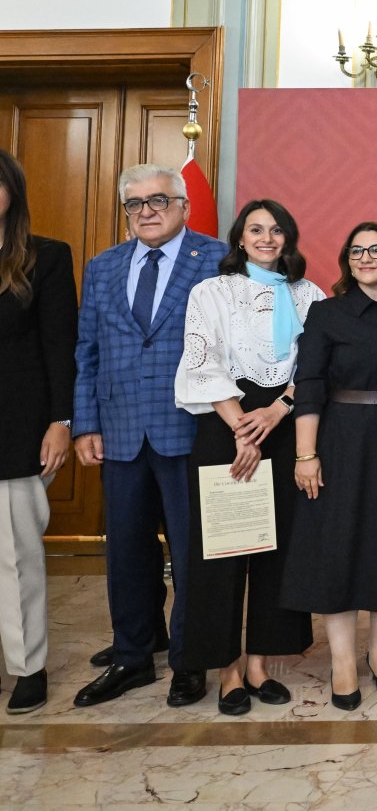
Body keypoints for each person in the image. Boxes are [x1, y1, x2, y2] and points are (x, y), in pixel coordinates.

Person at [73, 164, 224, 710]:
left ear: (183, 204)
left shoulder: (215, 257)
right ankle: (132, 655)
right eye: (135, 203)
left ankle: (190, 659)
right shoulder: (103, 266)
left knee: (191, 556)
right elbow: (87, 351)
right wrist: (85, 422)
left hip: (190, 430)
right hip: (118, 432)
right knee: (127, 554)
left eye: (159, 199)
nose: (147, 210)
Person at [175, 200, 323, 714]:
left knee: (274, 549)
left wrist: (277, 412)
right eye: (256, 229)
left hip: (285, 425)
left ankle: (259, 661)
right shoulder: (211, 291)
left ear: (289, 238)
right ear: (240, 237)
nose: (266, 238)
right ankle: (227, 669)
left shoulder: (309, 295)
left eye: (276, 229)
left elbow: (321, 365)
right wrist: (243, 428)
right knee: (223, 550)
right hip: (225, 427)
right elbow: (201, 358)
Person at [280, 222, 377, 710]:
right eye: (357, 250)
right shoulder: (327, 313)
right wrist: (306, 454)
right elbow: (311, 384)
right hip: (341, 441)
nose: (366, 257)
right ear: (347, 259)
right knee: (338, 549)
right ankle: (344, 662)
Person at [0, 150, 76, 714]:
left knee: (16, 557)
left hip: (17, 429)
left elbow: (59, 346)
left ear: (13, 192)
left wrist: (61, 421)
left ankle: (27, 666)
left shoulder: (45, 257)